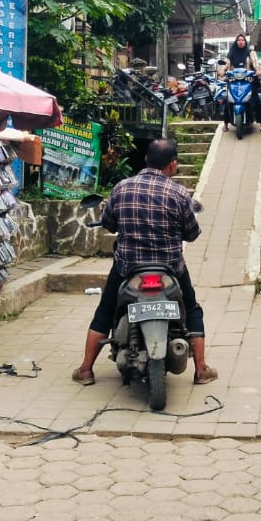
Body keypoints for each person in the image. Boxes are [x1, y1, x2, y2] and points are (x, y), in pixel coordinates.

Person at [72, 138, 218, 387]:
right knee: (192, 309)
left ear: (146, 160)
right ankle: (201, 369)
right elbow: (192, 234)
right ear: (172, 165)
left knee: (105, 312)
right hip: (170, 267)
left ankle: (86, 369)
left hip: (128, 266)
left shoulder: (122, 188)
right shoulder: (179, 193)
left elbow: (108, 223)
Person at [223, 33, 261, 131]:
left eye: (242, 40)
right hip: (234, 81)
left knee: (256, 100)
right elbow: (226, 63)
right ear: (236, 42)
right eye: (238, 40)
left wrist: (258, 70)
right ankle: (225, 123)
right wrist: (222, 70)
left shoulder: (250, 52)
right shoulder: (231, 53)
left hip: (249, 81)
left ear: (245, 41)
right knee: (227, 100)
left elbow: (255, 63)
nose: (240, 41)